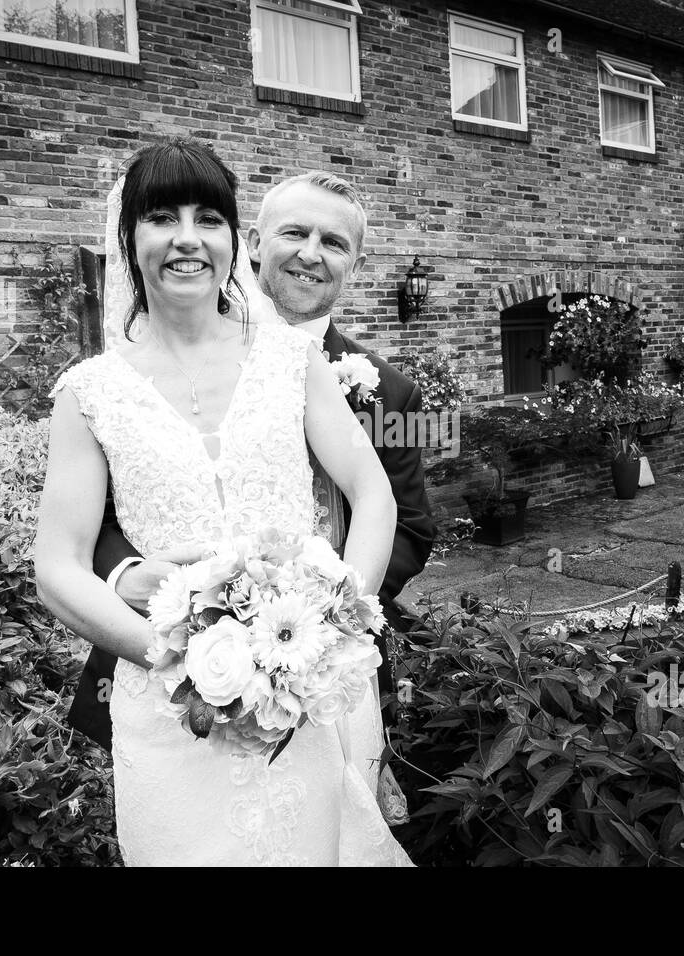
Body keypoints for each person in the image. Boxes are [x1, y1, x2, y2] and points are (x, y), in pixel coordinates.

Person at [34, 139, 413, 866]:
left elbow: (372, 495)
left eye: (209, 217)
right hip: (170, 708)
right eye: (160, 218)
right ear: (129, 239)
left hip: (302, 694)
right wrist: (182, 662)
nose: (187, 238)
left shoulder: (289, 361)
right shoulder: (88, 394)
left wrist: (332, 631)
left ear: (233, 240)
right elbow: (58, 568)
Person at [70, 171, 436, 754]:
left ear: (357, 264)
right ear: (255, 243)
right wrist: (128, 577)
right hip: (168, 647)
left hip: (317, 669)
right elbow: (108, 509)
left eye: (335, 242)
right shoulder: (140, 367)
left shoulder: (392, 393)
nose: (310, 254)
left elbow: (411, 526)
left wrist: (311, 624)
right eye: (294, 232)